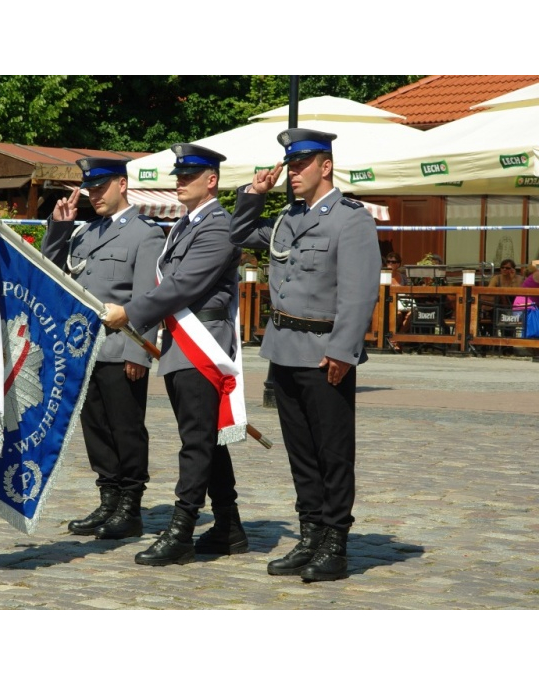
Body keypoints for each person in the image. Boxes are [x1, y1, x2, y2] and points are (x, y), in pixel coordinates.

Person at [230, 128, 381, 582]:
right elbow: (237, 233)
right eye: (289, 166)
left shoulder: (350, 219)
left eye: (300, 166)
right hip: (284, 349)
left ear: (325, 166)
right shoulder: (287, 218)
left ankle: (335, 542)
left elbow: (359, 293)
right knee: (301, 452)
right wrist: (254, 194)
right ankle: (310, 534)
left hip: (323, 353)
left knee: (332, 452)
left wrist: (343, 350)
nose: (292, 174)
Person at [102, 143, 246, 566]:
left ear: (211, 180)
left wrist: (131, 313)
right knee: (207, 437)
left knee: (196, 440)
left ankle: (183, 529)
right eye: (179, 175)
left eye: (188, 175)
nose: (179, 181)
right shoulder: (185, 225)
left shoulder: (219, 226)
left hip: (203, 338)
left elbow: (182, 285)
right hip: (181, 337)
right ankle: (229, 525)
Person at [41, 157, 165, 540]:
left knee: (125, 429)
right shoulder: (83, 233)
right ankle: (108, 498)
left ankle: (130, 506)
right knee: (95, 427)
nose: (94, 195)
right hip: (84, 349)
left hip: (121, 347)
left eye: (101, 187)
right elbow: (50, 270)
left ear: (122, 185)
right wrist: (60, 226)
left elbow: (148, 298)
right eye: (90, 189)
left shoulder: (146, 234)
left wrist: (139, 352)